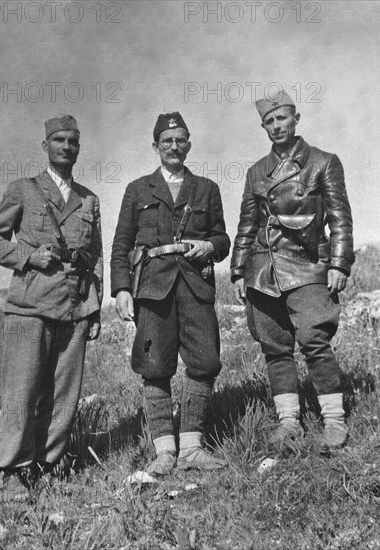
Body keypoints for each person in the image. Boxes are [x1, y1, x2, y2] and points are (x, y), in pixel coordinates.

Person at [0, 115, 103, 499]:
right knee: (22, 390)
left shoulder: (89, 199)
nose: (66, 147)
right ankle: (11, 471)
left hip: (75, 307)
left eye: (73, 141)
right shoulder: (23, 189)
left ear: (78, 147)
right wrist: (29, 256)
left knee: (64, 393)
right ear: (45, 146)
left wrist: (95, 308)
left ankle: (48, 465)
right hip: (30, 305)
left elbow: (95, 256)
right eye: (58, 140)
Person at [231, 91, 354, 452]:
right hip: (262, 271)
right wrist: (238, 270)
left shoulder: (323, 162)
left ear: (295, 118)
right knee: (274, 347)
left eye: (282, 118)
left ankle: (334, 419)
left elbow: (340, 218)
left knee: (315, 340)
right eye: (269, 121)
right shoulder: (257, 172)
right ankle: (289, 421)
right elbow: (247, 224)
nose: (276, 126)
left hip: (308, 265)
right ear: (263, 127)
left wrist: (339, 263)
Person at [111, 112, 230, 474]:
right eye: (167, 141)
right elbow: (121, 245)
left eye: (180, 141)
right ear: (156, 147)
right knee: (154, 365)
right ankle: (164, 450)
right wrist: (120, 290)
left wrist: (208, 247)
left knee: (206, 360)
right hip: (152, 287)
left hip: (195, 286)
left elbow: (223, 239)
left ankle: (192, 446)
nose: (174, 147)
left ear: (189, 144)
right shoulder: (137, 189)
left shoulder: (206, 188)